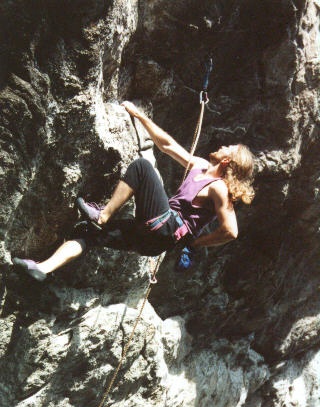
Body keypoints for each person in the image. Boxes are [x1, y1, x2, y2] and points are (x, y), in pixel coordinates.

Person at [12, 101, 255, 281]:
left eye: (228, 148)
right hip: (152, 241)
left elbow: (230, 231)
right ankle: (42, 269)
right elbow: (167, 146)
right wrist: (140, 116)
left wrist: (196, 243)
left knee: (141, 168)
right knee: (88, 234)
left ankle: (103, 214)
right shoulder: (201, 165)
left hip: (167, 226)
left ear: (227, 162)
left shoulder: (220, 188)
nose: (223, 146)